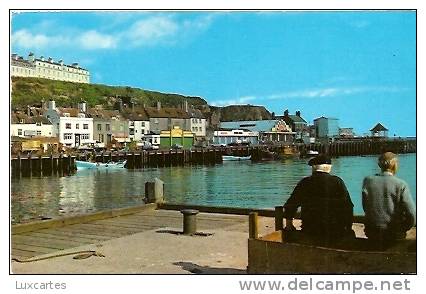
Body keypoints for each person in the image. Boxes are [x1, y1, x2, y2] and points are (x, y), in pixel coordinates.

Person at [283, 154, 354, 246]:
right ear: (328, 168)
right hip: (335, 229)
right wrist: (348, 227)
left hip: (310, 229)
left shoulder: (305, 182)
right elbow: (348, 206)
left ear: (314, 168)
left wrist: (289, 224)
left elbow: (290, 205)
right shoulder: (337, 182)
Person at [362, 152, 415, 247]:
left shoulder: (367, 181)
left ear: (379, 165)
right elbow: (412, 214)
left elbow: (366, 207)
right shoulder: (401, 184)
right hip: (393, 233)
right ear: (395, 165)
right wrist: (404, 228)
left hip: (372, 232)